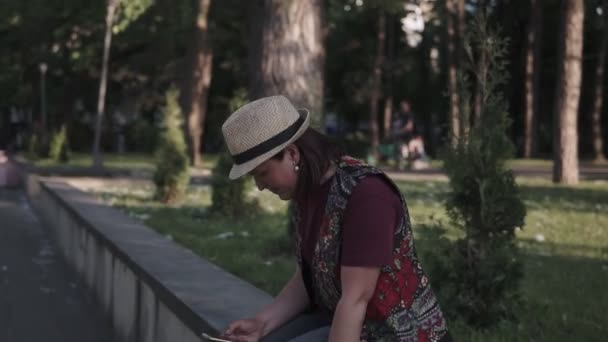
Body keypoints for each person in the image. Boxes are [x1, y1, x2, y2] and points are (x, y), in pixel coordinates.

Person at [221, 95, 450, 342]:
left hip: (393, 334)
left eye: (263, 173)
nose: (259, 186)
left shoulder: (367, 196)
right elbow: (308, 279)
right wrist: (261, 324)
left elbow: (356, 300)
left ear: (292, 154)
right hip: (340, 320)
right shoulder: (307, 192)